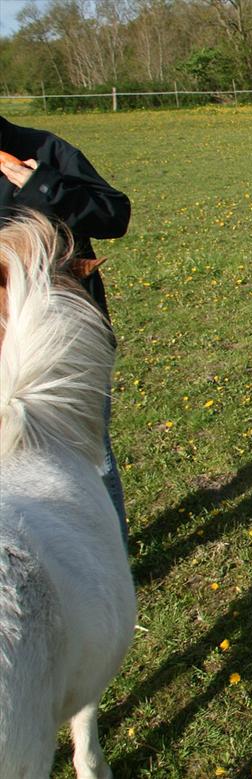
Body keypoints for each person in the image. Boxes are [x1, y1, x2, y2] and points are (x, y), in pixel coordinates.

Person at [1, 116, 132, 541]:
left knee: (90, 455)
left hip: (59, 341)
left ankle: (107, 552)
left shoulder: (43, 150)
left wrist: (45, 187)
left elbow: (115, 215)